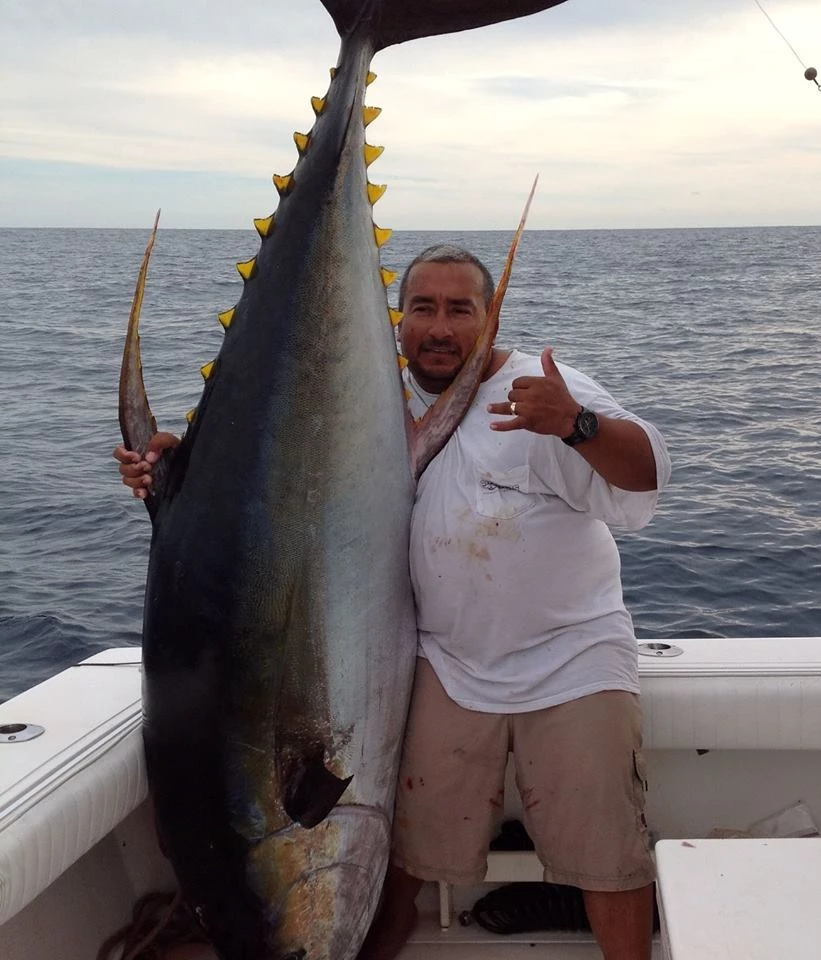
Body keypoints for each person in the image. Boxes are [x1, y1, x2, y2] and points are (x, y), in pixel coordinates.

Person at [115, 244, 670, 960]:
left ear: (490, 316)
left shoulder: (537, 388)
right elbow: (281, 479)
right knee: (409, 857)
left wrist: (576, 424)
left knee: (608, 857)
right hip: (451, 667)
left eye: (460, 309)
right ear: (395, 319)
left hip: (573, 664)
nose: (440, 327)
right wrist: (179, 467)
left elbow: (649, 471)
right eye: (423, 308)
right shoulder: (375, 404)